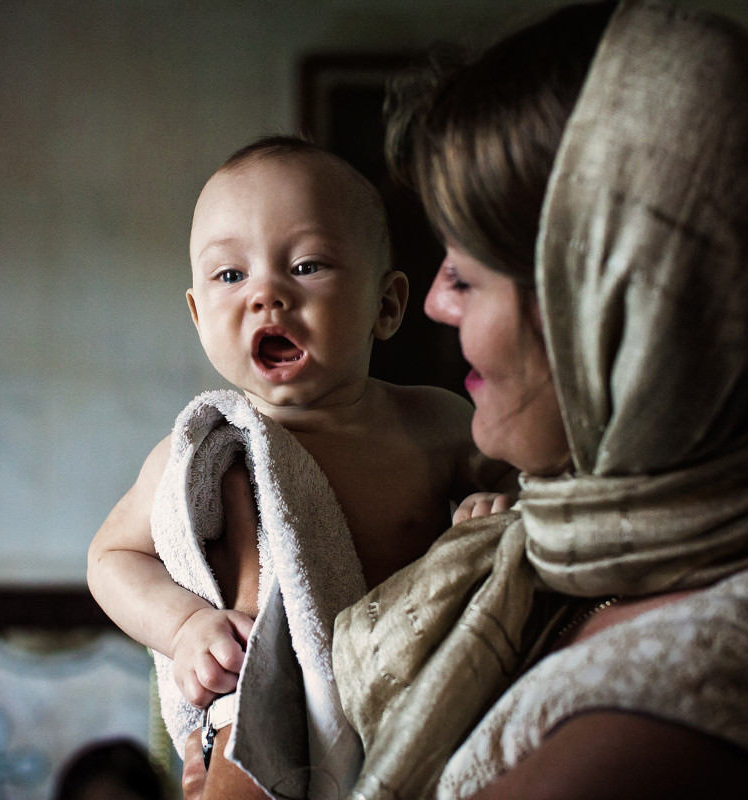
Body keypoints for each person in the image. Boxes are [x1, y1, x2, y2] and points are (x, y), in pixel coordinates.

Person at [326, 1, 748, 798]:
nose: (434, 302)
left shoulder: (697, 685)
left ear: (618, 314)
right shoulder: (568, 555)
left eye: (465, 273)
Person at [87, 136, 515, 798]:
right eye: (231, 276)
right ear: (199, 315)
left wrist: (484, 515)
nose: (267, 296)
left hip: (408, 722)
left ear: (387, 304)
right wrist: (184, 625)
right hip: (266, 727)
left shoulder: (434, 424)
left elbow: (522, 490)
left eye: (308, 265)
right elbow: (111, 557)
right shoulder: (200, 451)